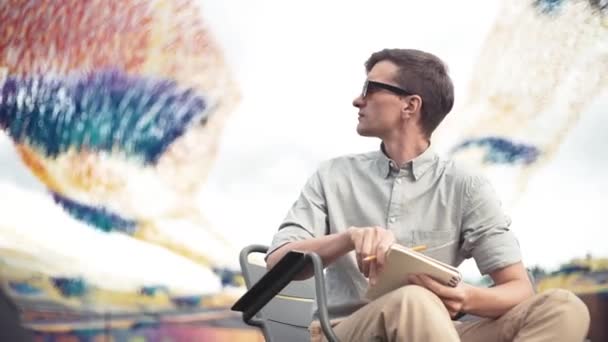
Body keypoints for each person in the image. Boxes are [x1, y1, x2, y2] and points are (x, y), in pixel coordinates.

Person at [265, 48, 590, 341]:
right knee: (414, 301)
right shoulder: (332, 175)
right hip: (343, 332)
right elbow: (276, 262)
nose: (357, 100)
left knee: (562, 307)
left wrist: (466, 297)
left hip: (439, 331)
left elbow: (519, 289)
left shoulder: (466, 186)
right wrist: (349, 238)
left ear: (410, 105)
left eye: (369, 89)